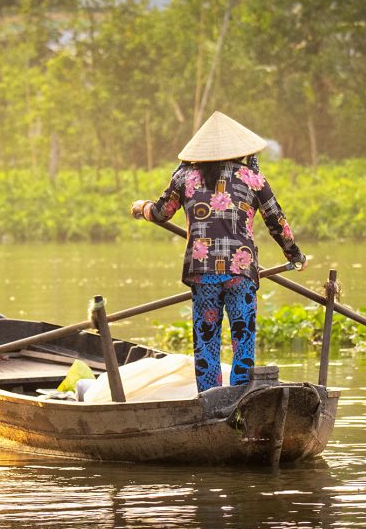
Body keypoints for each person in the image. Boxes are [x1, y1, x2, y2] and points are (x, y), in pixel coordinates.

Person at [131, 111, 307, 393]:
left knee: (207, 341)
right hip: (241, 272)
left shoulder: (184, 177)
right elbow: (277, 222)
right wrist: (295, 255)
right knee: (242, 338)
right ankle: (240, 399)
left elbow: (161, 212)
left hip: (204, 273)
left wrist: (141, 208)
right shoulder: (252, 178)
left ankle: (210, 400)